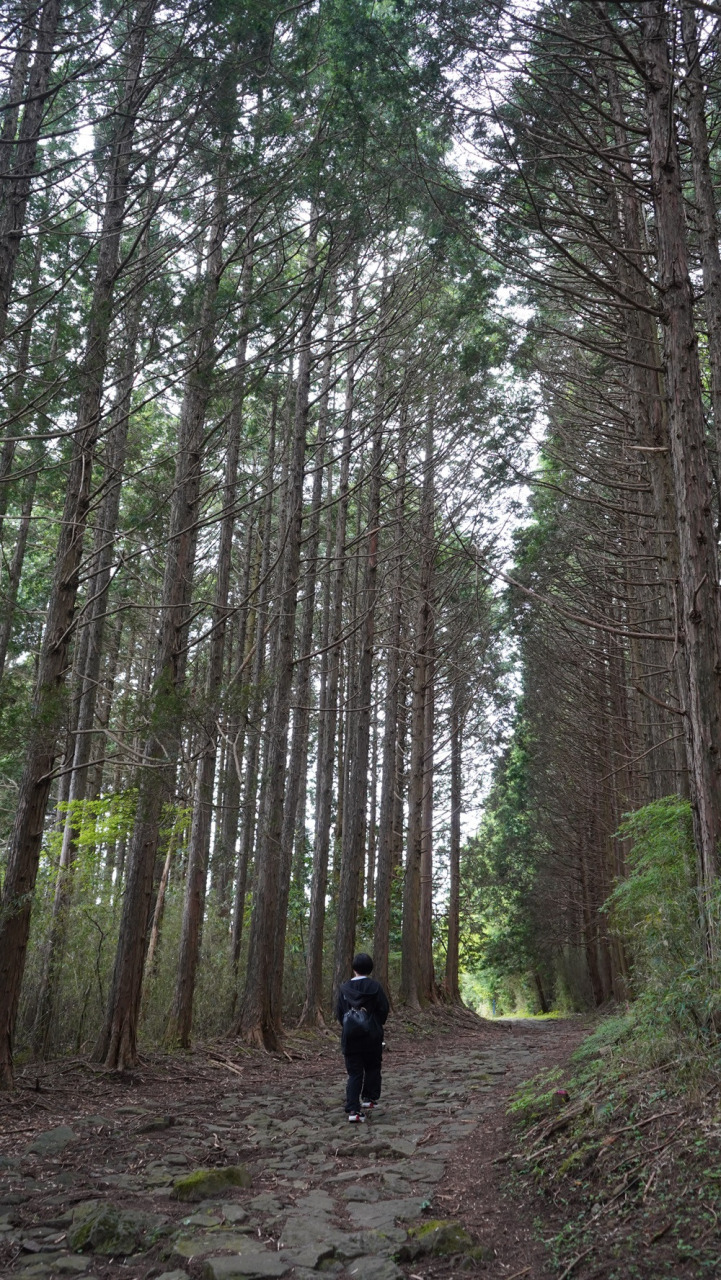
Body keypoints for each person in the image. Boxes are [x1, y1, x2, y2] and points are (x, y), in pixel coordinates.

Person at [335, 952, 389, 1123]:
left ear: (354, 968)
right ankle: (369, 1099)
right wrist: (374, 1024)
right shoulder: (375, 987)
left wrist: (350, 1027)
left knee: (354, 1073)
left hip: (350, 1038)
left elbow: (339, 1013)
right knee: (373, 1067)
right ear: (370, 968)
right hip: (372, 1036)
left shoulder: (344, 989)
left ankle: (353, 1110)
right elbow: (383, 1010)